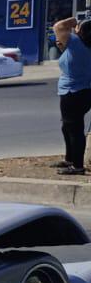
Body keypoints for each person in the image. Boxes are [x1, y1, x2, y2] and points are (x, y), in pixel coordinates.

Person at [53, 17, 91, 175]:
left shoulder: (76, 44)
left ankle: (77, 166)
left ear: (81, 31)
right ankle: (70, 159)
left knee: (74, 129)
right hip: (85, 91)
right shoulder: (81, 46)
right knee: (67, 127)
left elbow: (59, 26)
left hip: (72, 93)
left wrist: (74, 21)